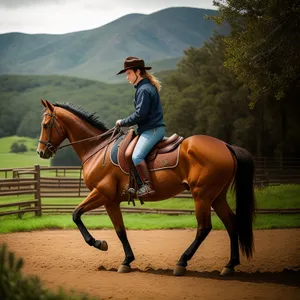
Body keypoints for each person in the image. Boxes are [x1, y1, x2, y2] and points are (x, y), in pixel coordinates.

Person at [115, 56, 166, 197]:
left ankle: (147, 186)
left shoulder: (144, 89)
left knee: (137, 156)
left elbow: (140, 115)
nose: (127, 77)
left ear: (137, 72)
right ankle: (135, 184)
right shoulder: (144, 87)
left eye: (129, 73)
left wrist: (122, 122)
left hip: (152, 130)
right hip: (147, 130)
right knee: (128, 154)